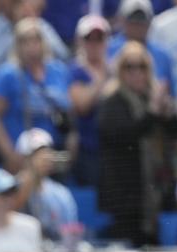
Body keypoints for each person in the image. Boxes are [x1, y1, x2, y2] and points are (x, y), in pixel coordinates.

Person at [98, 41, 177, 246]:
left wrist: (167, 112)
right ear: (120, 71)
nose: (136, 73)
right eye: (129, 67)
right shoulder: (112, 102)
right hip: (126, 197)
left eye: (141, 67)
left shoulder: (154, 98)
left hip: (156, 193)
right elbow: (123, 135)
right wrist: (152, 113)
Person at [0, 17, 71, 173]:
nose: (31, 46)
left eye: (36, 40)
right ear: (17, 45)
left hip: (53, 155)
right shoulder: (7, 75)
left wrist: (71, 147)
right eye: (25, 41)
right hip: (21, 156)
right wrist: (9, 154)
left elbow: (69, 113)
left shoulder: (58, 71)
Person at [12, 128, 84, 250]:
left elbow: (70, 232)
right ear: (23, 158)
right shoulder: (7, 189)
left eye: (47, 152)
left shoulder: (61, 193)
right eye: (36, 153)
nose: (44, 157)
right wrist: (26, 185)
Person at [68, 14, 112, 187]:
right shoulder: (75, 71)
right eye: (89, 39)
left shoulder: (116, 69)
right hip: (88, 147)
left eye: (99, 38)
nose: (94, 44)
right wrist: (102, 79)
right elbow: (82, 105)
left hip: (113, 146)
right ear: (80, 41)